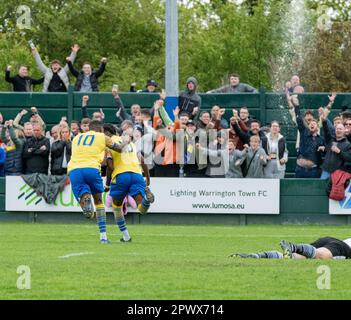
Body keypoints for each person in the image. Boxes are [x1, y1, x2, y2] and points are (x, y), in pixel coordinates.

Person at [67, 120, 130, 243]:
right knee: (98, 202)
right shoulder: (102, 136)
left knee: (87, 207)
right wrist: (127, 141)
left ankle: (85, 199)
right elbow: (120, 149)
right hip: (91, 168)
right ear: (100, 129)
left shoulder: (76, 137)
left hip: (74, 170)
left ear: (88, 129)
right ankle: (103, 237)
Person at [104, 124, 155, 243]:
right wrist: (147, 177)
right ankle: (147, 200)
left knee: (116, 208)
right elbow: (142, 160)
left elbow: (110, 166)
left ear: (106, 132)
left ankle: (126, 237)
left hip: (121, 175)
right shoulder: (131, 144)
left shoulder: (109, 143)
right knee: (141, 208)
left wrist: (107, 184)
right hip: (137, 175)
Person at [230, 237, 351, 260]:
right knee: (324, 256)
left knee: (296, 257)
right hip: (344, 247)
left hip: (329, 239)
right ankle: (292, 247)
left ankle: (258, 256)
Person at [292, 96, 325, 178]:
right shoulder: (303, 132)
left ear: (318, 127)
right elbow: (299, 119)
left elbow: (325, 152)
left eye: (314, 124)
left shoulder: (321, 139)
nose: (312, 124)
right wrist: (296, 106)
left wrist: (323, 148)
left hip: (313, 171)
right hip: (300, 170)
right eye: (310, 124)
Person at [319, 108, 351, 180]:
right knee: (321, 188)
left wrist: (339, 151)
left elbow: (349, 158)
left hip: (337, 173)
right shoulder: (330, 140)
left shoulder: (347, 144)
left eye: (340, 129)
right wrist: (324, 120)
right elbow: (326, 131)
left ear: (344, 131)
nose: (338, 130)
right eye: (337, 129)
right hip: (326, 171)